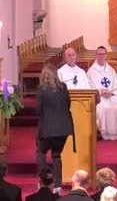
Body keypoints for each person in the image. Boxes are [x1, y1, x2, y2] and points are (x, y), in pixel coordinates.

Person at [36, 63, 74, 195]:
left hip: (47, 129)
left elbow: (38, 110)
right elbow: (68, 105)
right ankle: (58, 186)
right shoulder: (63, 87)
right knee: (56, 156)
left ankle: (44, 182)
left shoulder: (42, 89)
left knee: (41, 153)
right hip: (63, 129)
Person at [87, 46, 117, 140]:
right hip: (99, 98)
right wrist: (100, 92)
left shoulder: (111, 70)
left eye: (103, 54)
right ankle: (106, 134)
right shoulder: (91, 72)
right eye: (99, 54)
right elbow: (89, 86)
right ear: (96, 55)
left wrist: (112, 93)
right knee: (103, 107)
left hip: (112, 96)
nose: (101, 56)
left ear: (106, 56)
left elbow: (116, 85)